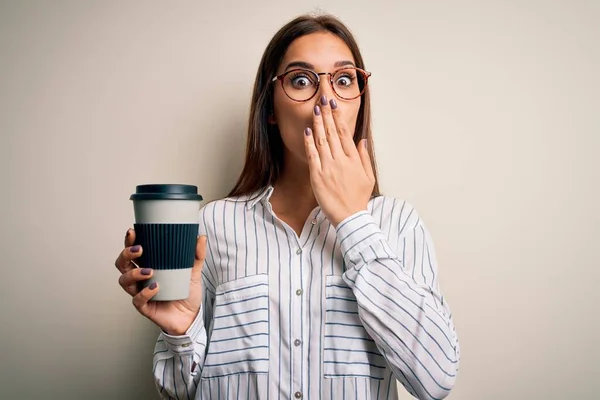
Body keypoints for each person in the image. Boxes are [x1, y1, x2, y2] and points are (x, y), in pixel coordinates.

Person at [115, 13, 460, 400]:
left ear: (360, 104)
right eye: (301, 80)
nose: (326, 98)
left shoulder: (398, 224)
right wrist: (181, 331)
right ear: (271, 110)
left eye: (344, 80)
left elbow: (437, 379)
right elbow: (181, 391)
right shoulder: (214, 224)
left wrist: (352, 220)